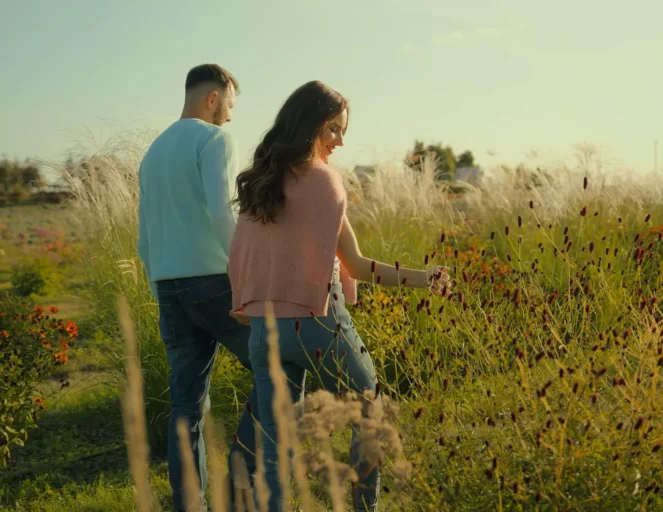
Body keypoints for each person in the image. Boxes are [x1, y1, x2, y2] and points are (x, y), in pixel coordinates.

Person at [226, 80, 452, 512]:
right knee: (370, 415)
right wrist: (429, 280)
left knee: (274, 444)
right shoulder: (326, 182)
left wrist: (246, 302)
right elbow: (358, 266)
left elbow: (240, 253)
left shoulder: (259, 183)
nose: (340, 141)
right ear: (307, 124)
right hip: (317, 325)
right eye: (332, 128)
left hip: (262, 331)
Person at [136, 63, 261, 512]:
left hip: (168, 287)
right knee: (278, 371)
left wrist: (161, 293)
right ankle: (245, 489)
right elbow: (221, 214)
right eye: (230, 104)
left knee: (186, 406)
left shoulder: (152, 153)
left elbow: (143, 239)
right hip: (215, 284)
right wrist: (246, 279)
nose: (230, 116)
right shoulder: (214, 140)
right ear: (214, 96)